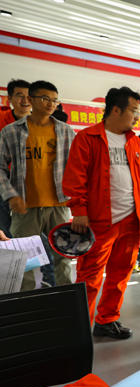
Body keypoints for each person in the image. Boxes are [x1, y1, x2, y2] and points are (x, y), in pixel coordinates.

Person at [63, 86, 140, 339]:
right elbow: (75, 177)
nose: (137, 116)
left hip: (131, 220)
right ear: (116, 110)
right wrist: (79, 210)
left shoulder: (135, 141)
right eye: (134, 111)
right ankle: (80, 328)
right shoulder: (87, 138)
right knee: (89, 277)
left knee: (120, 275)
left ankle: (107, 320)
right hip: (99, 221)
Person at [0, 80, 74, 291]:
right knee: (23, 260)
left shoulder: (66, 131)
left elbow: (76, 169)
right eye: (45, 99)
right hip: (26, 207)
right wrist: (10, 195)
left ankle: (65, 299)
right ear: (31, 100)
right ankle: (27, 301)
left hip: (59, 205)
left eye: (54, 100)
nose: (51, 104)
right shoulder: (11, 132)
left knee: (64, 258)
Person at [0, 79, 31, 238]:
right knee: (5, 231)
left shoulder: (41, 123)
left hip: (29, 186)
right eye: (20, 95)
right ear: (9, 99)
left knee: (32, 233)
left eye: (28, 96)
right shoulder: (1, 119)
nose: (25, 100)